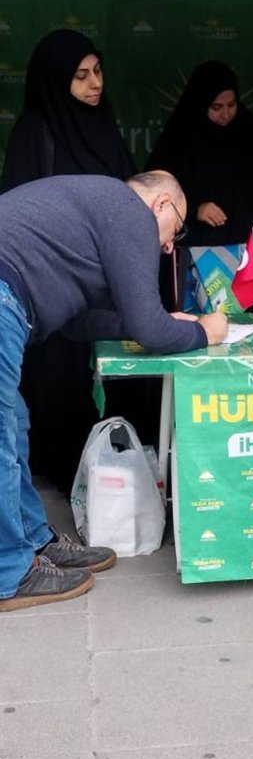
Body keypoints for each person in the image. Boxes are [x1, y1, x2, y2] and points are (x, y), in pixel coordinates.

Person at [0, 170, 227, 612]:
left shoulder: (96, 211)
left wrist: (163, 324)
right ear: (162, 204)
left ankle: (32, 543)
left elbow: (80, 322)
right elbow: (147, 326)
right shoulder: (128, 211)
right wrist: (204, 332)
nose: (167, 247)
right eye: (174, 232)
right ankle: (9, 571)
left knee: (13, 423)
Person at [1, 29, 137, 492]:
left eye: (97, 72)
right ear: (56, 81)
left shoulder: (104, 127)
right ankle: (65, 474)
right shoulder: (35, 131)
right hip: (48, 288)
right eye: (80, 76)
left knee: (114, 376)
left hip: (105, 287)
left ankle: (112, 475)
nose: (94, 84)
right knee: (57, 379)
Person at [147, 60, 253, 262]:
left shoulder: (245, 126)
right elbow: (154, 192)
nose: (226, 114)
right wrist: (194, 209)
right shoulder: (179, 135)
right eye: (217, 107)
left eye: (232, 105)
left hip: (247, 244)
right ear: (201, 103)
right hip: (198, 245)